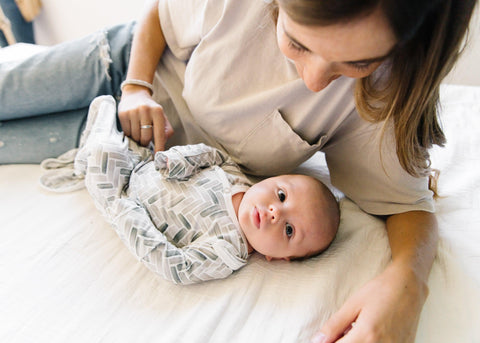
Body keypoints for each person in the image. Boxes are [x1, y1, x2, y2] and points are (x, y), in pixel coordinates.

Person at [0, 0, 477, 341]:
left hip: (127, 148)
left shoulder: (379, 96)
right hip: (124, 67)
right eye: (295, 42)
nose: (313, 81)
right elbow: (160, 17)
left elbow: (408, 205)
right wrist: (136, 88)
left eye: (355, 62)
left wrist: (408, 283)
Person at [42, 95, 338, 285]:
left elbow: (174, 265)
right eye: (281, 196)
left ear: (278, 258)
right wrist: (177, 160)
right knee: (123, 144)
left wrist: (130, 218)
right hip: (146, 163)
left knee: (103, 158)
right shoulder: (237, 178)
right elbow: (212, 156)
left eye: (288, 230)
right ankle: (96, 136)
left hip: (125, 197)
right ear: (271, 180)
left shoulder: (226, 251)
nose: (275, 212)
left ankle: (92, 143)